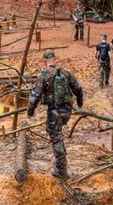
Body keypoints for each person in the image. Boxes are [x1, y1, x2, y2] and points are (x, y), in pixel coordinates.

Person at [27, 49, 83, 179]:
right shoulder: (65, 72)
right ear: (54, 58)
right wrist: (79, 103)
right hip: (67, 110)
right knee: (58, 134)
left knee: (55, 136)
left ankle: (61, 170)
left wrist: (30, 111)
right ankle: (61, 160)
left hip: (54, 110)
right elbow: (78, 88)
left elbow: (35, 95)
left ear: (44, 60)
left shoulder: (44, 75)